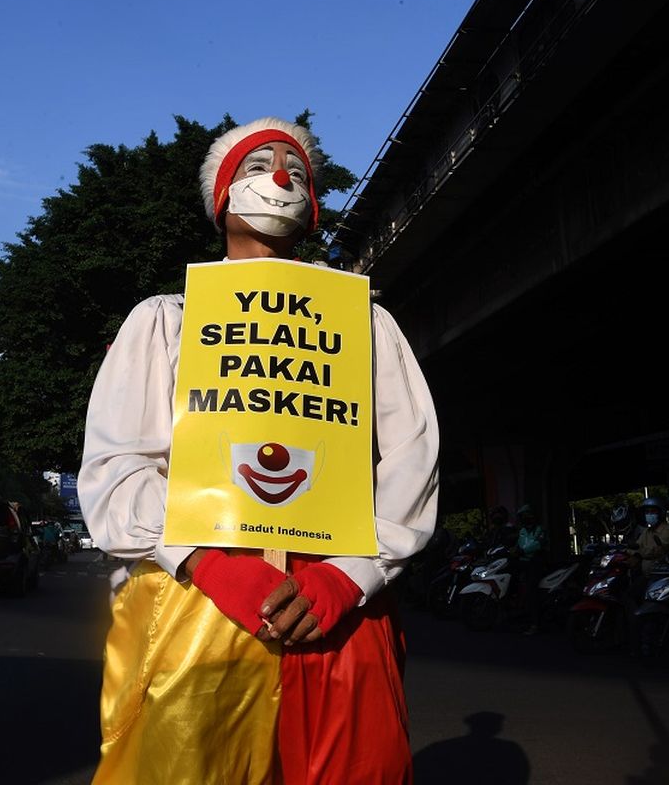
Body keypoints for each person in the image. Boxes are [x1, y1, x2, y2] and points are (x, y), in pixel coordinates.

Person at [78, 117, 439, 784]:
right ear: (221, 196)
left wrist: (346, 575)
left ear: (313, 208)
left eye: (296, 172)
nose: (280, 179)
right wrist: (212, 565)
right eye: (259, 166)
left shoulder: (364, 323)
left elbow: (412, 460)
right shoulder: (164, 319)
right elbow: (117, 468)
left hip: (334, 613)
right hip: (198, 612)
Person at [515, 505, 547, 635]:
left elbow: (538, 544)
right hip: (524, 563)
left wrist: (523, 551)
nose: (522, 519)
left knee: (532, 592)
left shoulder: (540, 530)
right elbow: (519, 544)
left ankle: (535, 624)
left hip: (536, 563)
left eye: (524, 516)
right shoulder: (522, 531)